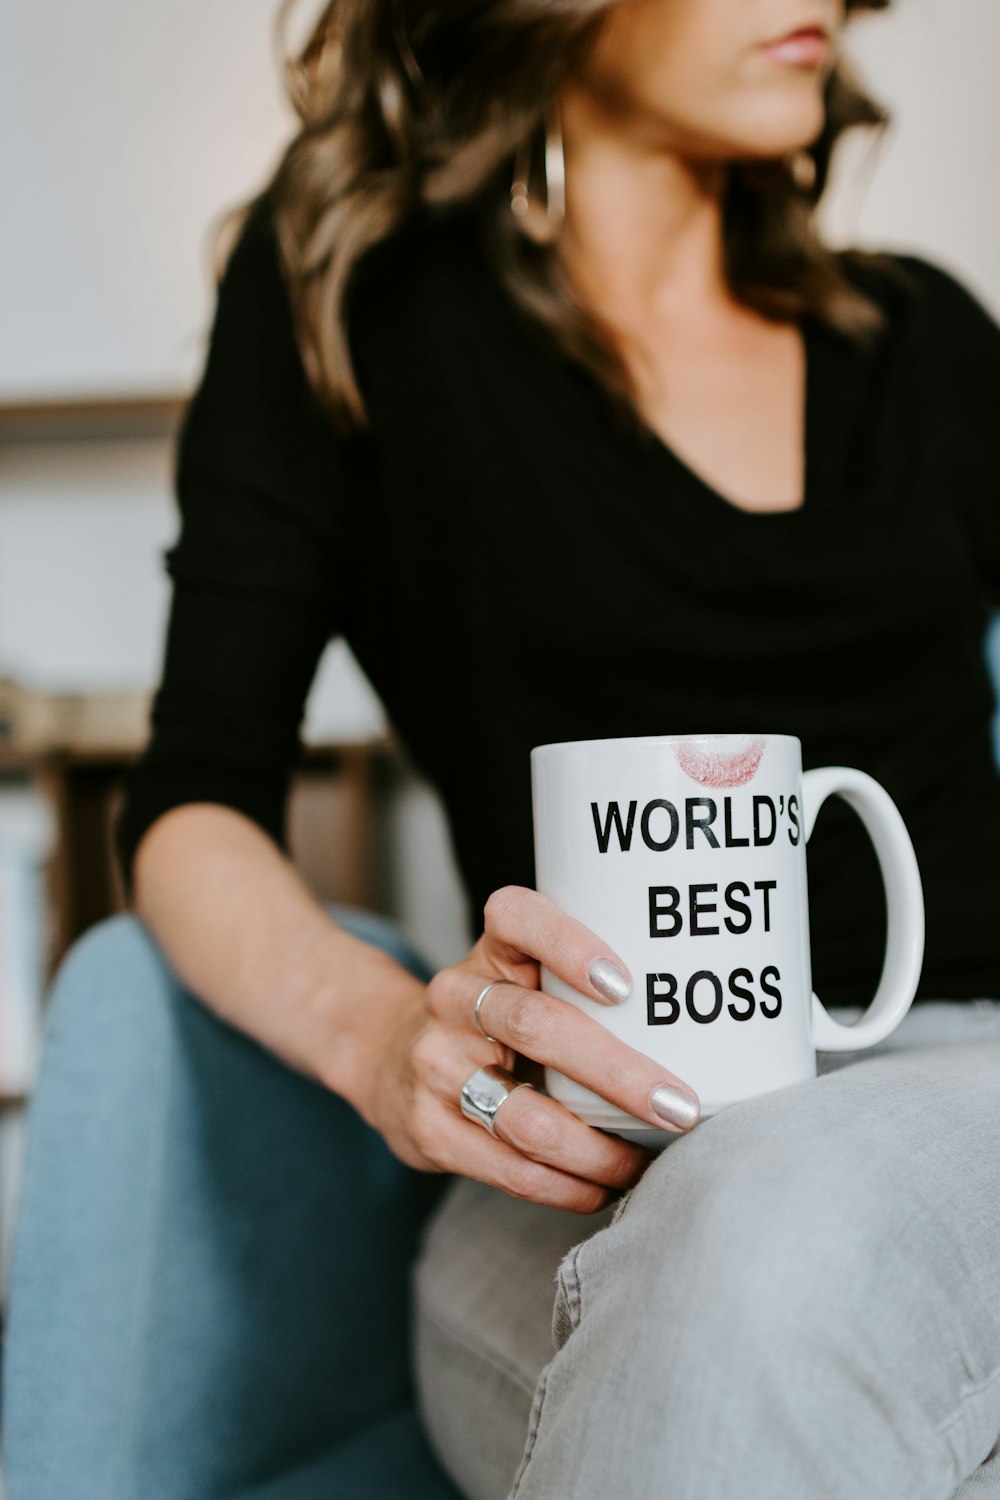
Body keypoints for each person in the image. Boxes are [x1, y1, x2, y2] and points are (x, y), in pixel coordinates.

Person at [103, 0, 1000, 1495]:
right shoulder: (360, 309)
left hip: (965, 1086)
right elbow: (195, 792)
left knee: (777, 1220)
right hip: (579, 1157)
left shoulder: (931, 345)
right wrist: (386, 1037)